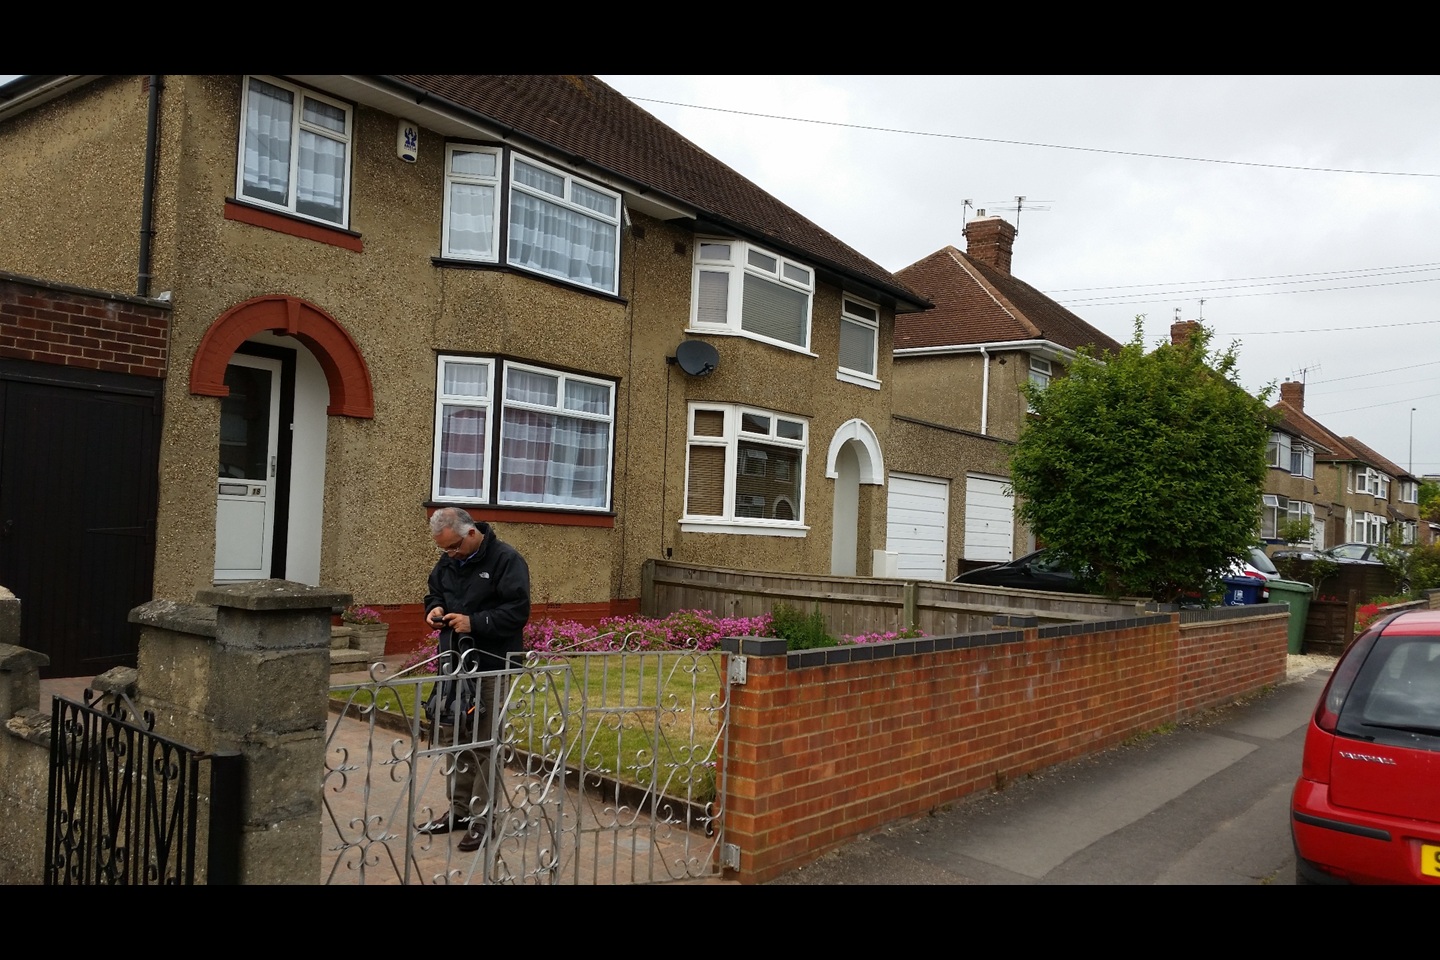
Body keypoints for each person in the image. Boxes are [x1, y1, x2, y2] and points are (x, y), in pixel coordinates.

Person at [416, 507, 531, 854]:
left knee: (484, 743)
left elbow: (517, 611)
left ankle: (483, 820)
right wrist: (433, 609)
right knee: (455, 738)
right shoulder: (449, 560)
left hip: (492, 665)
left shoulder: (507, 560)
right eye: (443, 550)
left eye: (452, 548)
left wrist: (474, 622)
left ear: (470, 533)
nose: (449, 555)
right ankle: (459, 812)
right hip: (454, 663)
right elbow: (435, 590)